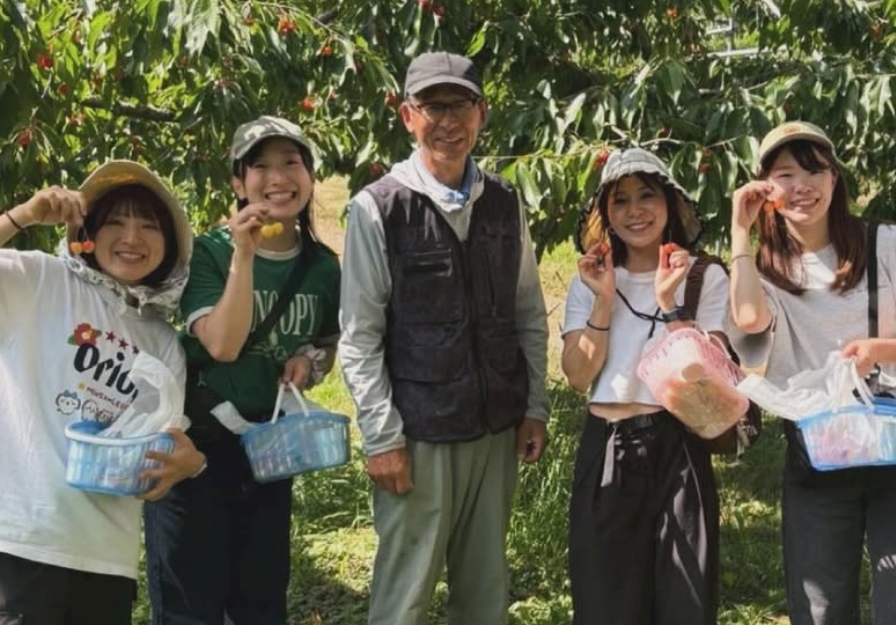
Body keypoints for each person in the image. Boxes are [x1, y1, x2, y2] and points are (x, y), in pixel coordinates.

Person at [339, 51, 550, 625]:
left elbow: (527, 310)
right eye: (433, 106)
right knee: (404, 596)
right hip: (418, 434)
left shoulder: (506, 203)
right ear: (408, 116)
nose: (448, 120)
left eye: (460, 104)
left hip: (494, 428)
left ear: (482, 114)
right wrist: (382, 438)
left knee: (485, 596)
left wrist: (534, 406)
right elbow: (359, 338)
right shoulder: (377, 207)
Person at [727, 122, 896, 625]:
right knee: (820, 603)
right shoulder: (763, 268)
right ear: (765, 189)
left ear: (835, 179)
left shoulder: (888, 244)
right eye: (785, 174)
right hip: (820, 446)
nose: (801, 185)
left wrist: (880, 349)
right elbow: (747, 321)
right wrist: (740, 232)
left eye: (814, 170)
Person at [143, 116, 342, 624]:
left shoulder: (322, 267)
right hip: (196, 447)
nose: (278, 178)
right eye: (260, 167)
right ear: (238, 182)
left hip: (268, 452)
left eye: (291, 164)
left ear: (311, 176)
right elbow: (224, 345)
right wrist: (244, 256)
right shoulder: (208, 254)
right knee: (192, 609)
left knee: (261, 604)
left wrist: (309, 361)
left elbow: (325, 342)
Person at [0, 160, 205, 624]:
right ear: (87, 232)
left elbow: (161, 451)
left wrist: (188, 463)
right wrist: (22, 217)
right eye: (115, 221)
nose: (132, 237)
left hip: (107, 558)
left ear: (169, 245)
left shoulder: (163, 342)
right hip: (23, 542)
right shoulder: (39, 281)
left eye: (149, 226)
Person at [561, 147, 731, 625]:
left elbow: (711, 385)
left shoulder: (702, 276)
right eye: (620, 201)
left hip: (677, 444)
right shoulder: (592, 279)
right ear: (606, 214)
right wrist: (603, 301)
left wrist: (670, 303)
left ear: (670, 205)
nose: (635, 211)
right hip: (607, 446)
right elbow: (578, 375)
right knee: (604, 601)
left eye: (647, 196)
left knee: (685, 601)